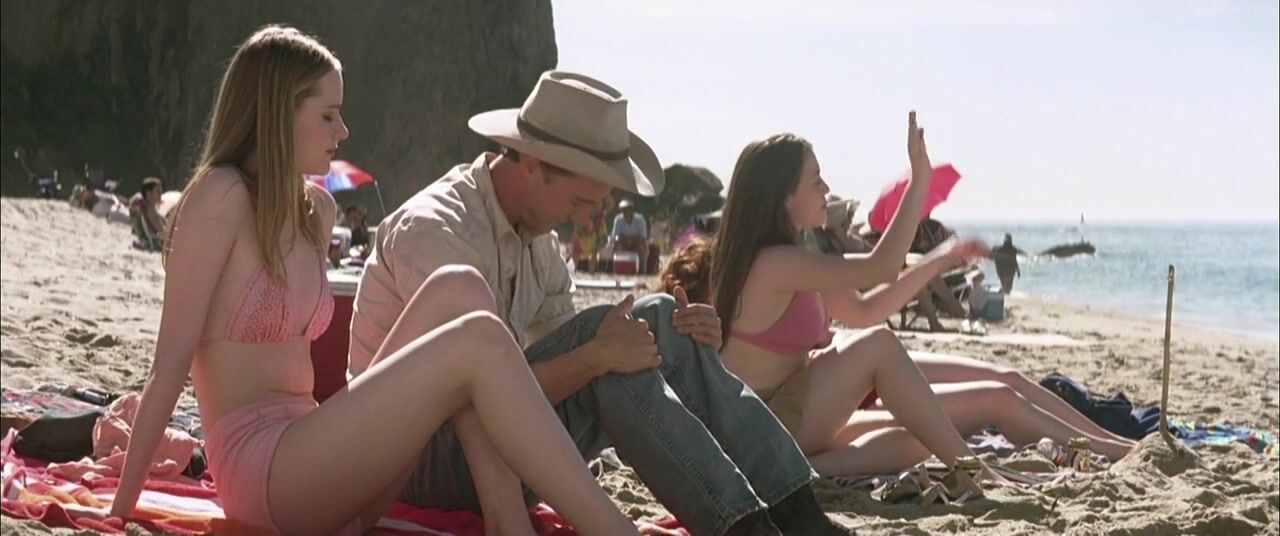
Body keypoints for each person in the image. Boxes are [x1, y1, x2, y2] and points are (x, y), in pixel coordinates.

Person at [108, 27, 635, 535]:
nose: (342, 132)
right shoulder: (220, 197)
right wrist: (119, 510)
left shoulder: (316, 210)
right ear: (277, 112)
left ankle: (505, 517)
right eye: (328, 116)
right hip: (265, 478)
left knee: (461, 287)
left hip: (327, 468)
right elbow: (169, 364)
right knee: (480, 337)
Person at [349, 70, 853, 535]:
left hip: (504, 439)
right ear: (531, 165)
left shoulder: (538, 240)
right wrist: (597, 356)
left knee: (658, 320)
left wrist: (689, 344)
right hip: (411, 460)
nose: (585, 218)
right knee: (607, 344)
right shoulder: (440, 230)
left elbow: (546, 376)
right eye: (578, 202)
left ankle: (795, 511)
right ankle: (743, 527)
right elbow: (472, 396)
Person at [701, 115, 1134, 478]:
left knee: (922, 436)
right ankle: (979, 473)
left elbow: (867, 309)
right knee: (881, 347)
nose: (826, 189)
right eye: (815, 182)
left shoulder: (793, 258)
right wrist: (918, 183)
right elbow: (881, 267)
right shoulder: (774, 263)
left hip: (793, 410)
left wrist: (938, 260)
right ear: (784, 197)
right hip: (767, 425)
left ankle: (805, 471)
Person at [611, 198, 649, 273]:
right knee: (617, 245)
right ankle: (619, 268)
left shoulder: (640, 220)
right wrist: (624, 240)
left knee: (641, 246)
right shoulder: (618, 219)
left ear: (632, 210)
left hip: (636, 243)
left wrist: (632, 239)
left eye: (628, 209)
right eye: (623, 209)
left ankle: (642, 269)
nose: (625, 212)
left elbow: (643, 237)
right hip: (623, 243)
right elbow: (615, 236)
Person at [129, 177, 167, 249]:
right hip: (155, 243)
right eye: (158, 191)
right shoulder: (150, 211)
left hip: (146, 240)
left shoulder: (146, 208)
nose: (160, 194)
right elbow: (163, 234)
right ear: (149, 194)